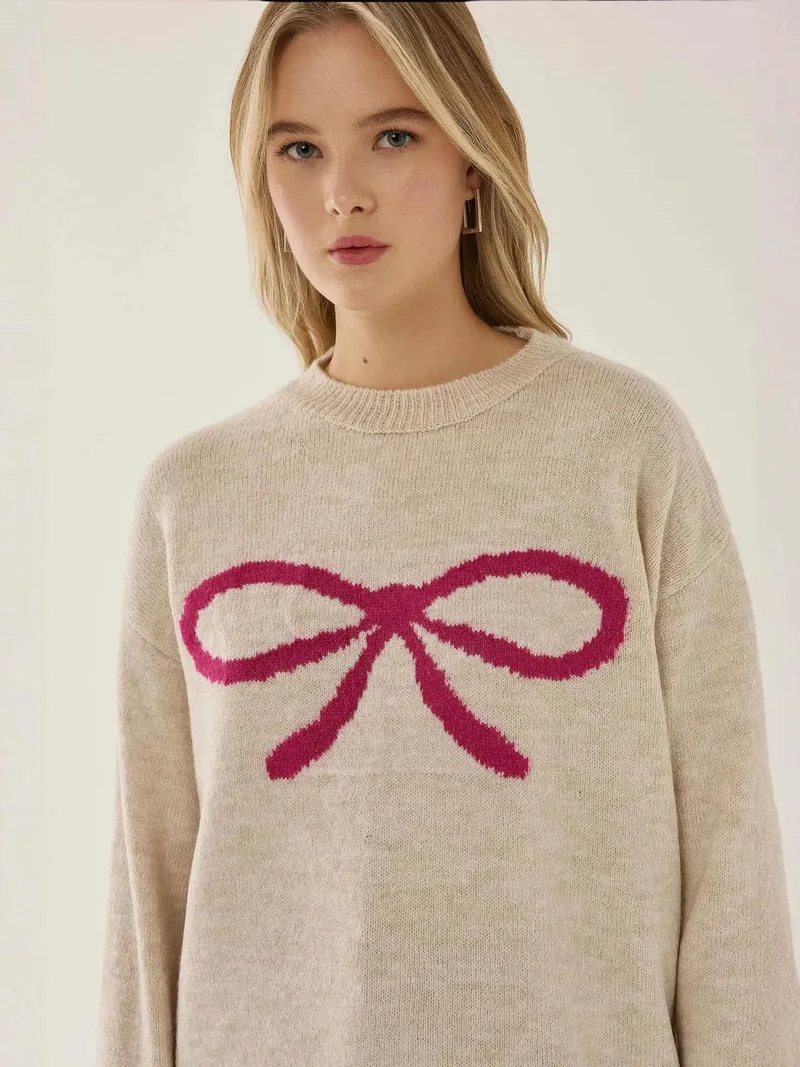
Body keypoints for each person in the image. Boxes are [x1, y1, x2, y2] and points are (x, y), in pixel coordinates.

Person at [95, 4, 800, 1066]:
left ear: (472, 157)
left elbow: (730, 858)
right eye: (298, 149)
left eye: (392, 135)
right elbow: (146, 903)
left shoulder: (623, 445)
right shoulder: (191, 497)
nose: (343, 193)